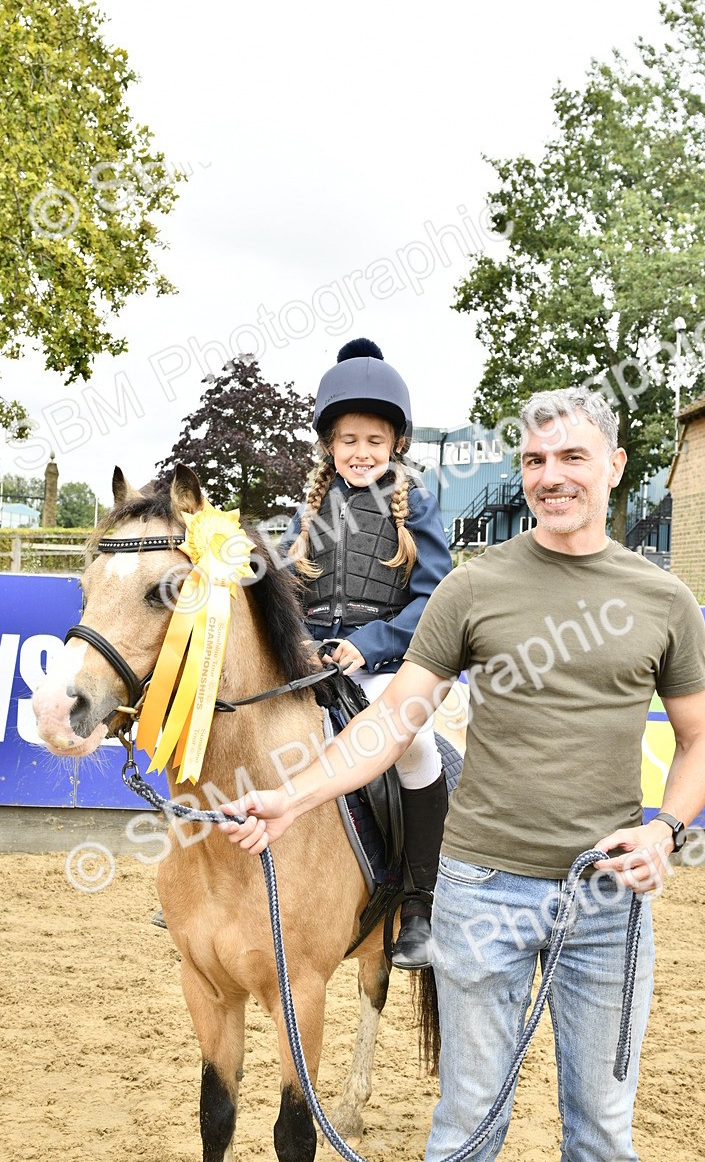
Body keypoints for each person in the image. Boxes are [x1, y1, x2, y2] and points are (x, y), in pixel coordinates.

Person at [221, 387, 705, 1162]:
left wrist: (664, 830)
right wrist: (294, 795)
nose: (550, 476)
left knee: (602, 1133)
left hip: (607, 896)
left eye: (571, 458)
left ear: (615, 467)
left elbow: (699, 743)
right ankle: (411, 899)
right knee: (466, 1128)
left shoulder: (663, 598)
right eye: (533, 460)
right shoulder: (473, 589)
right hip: (483, 890)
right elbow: (393, 722)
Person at [283, 337, 453, 969]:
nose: (361, 453)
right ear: (330, 445)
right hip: (308, 665)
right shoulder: (305, 512)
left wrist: (366, 645)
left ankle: (418, 905)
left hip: (386, 667)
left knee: (415, 745)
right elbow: (280, 595)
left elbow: (435, 599)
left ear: (395, 445)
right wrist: (297, 641)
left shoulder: (419, 506)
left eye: (374, 442)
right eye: (349, 441)